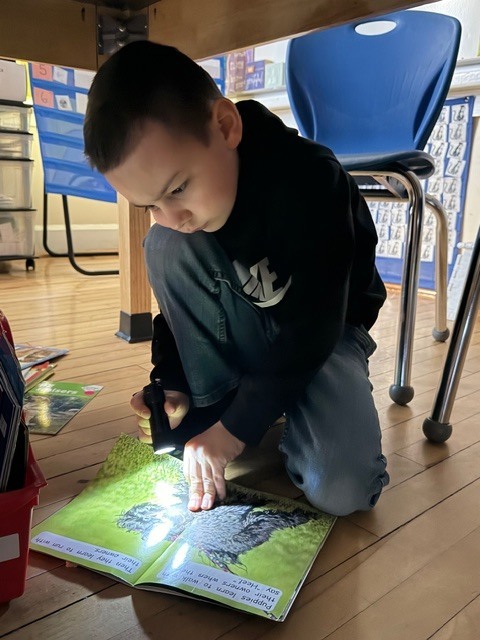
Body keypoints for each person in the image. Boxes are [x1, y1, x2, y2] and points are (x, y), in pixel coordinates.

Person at [84, 40, 389, 516]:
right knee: (163, 246)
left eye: (178, 188)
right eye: (149, 205)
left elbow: (311, 330)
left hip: (324, 333)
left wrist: (234, 432)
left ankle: (257, 412)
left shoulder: (309, 182)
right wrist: (173, 381)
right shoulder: (181, 223)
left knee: (343, 490)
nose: (173, 215)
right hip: (250, 324)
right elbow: (176, 312)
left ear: (225, 127)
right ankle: (224, 402)